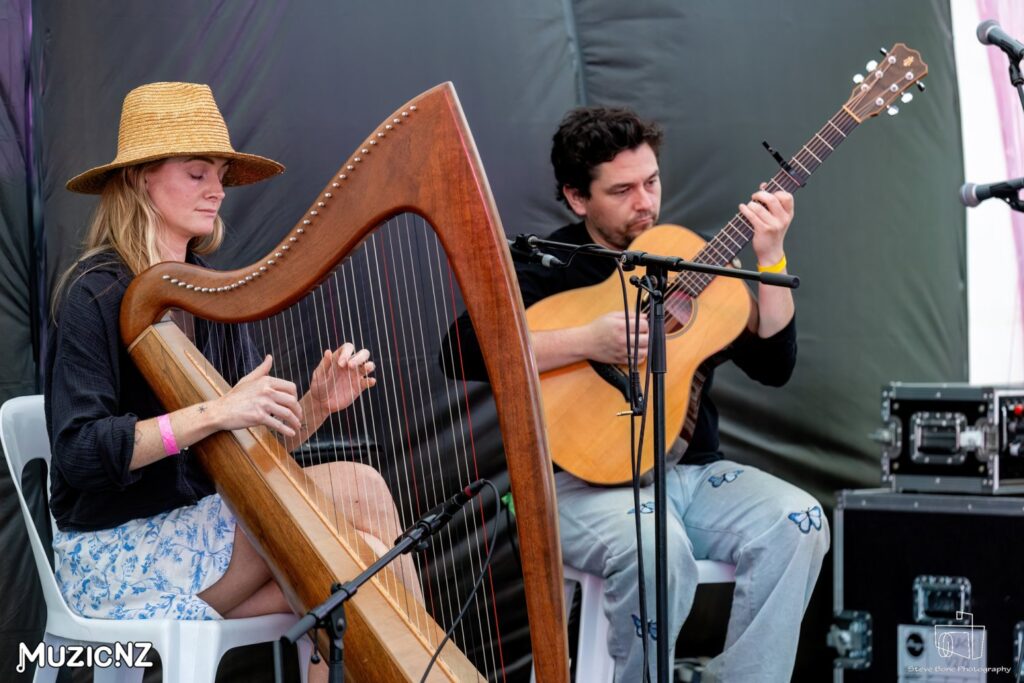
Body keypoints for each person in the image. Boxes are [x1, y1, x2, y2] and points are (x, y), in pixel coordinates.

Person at [443, 107, 829, 682]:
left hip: (693, 475)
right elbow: (462, 351)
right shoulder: (545, 263)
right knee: (658, 549)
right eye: (622, 190)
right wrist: (588, 340)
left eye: (651, 182)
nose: (645, 202)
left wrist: (770, 255)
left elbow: (775, 365)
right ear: (578, 198)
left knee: (800, 519)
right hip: (577, 486)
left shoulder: (684, 256)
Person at [45, 82, 414, 681]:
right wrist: (215, 413)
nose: (217, 189)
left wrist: (318, 404)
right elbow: (80, 455)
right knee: (357, 491)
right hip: (118, 558)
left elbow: (241, 461)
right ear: (141, 178)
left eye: (218, 173)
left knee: (363, 569)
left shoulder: (206, 290)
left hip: (205, 535)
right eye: (197, 173)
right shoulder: (94, 293)